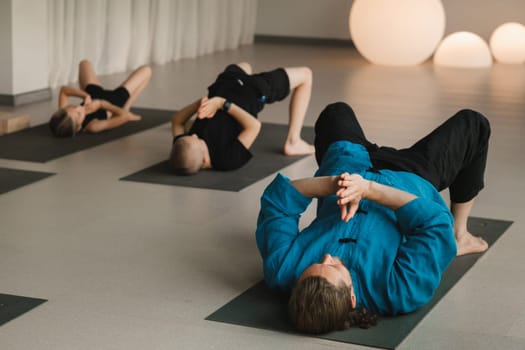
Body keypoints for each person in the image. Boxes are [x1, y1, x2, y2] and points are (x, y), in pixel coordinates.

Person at [256, 102, 491, 334]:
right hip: (410, 175)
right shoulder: (400, 291)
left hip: (348, 163)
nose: (327, 257)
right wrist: (368, 189)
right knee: (474, 124)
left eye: (316, 263)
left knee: (335, 112)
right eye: (335, 267)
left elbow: (278, 203)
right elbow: (433, 223)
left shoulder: (283, 270)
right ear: (351, 297)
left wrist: (335, 183)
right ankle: (460, 236)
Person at [170, 62, 315, 174]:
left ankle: (294, 140)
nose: (194, 134)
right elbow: (254, 126)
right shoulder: (227, 159)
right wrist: (222, 104)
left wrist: (201, 103)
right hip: (251, 91)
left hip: (227, 82)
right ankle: (293, 141)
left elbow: (177, 121)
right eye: (196, 139)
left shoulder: (184, 147)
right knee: (306, 75)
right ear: (205, 159)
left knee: (245, 66)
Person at [49, 60, 151, 137]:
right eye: (79, 114)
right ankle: (127, 106)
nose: (80, 108)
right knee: (147, 70)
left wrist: (85, 96)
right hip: (114, 100)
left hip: (93, 93)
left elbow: (64, 90)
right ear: (78, 128)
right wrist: (101, 104)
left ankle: (89, 96)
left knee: (84, 63)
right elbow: (125, 117)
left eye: (74, 106)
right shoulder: (92, 126)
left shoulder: (66, 115)